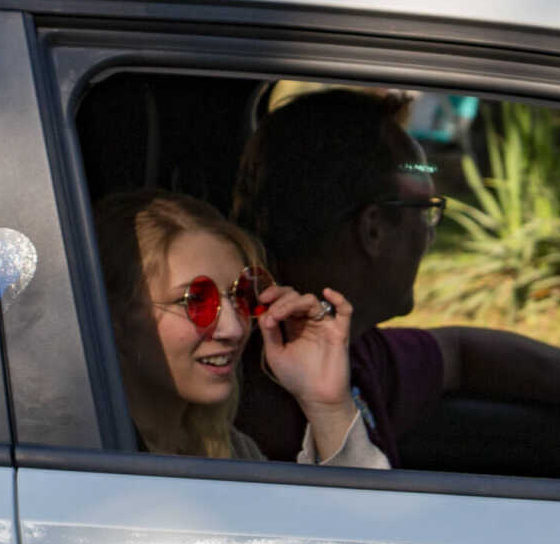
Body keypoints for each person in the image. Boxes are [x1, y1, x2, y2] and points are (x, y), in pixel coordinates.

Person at [230, 87, 560, 480]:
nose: (431, 235)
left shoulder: (352, 352)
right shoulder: (247, 396)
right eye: (424, 212)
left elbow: (460, 353)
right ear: (373, 229)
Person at [95, 188, 388, 467]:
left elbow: (361, 505)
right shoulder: (86, 456)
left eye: (242, 296)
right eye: (195, 300)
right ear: (113, 318)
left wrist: (328, 407)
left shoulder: (232, 451)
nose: (234, 328)